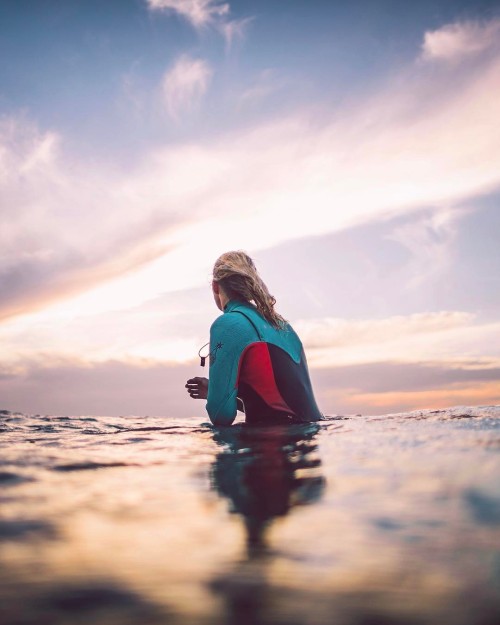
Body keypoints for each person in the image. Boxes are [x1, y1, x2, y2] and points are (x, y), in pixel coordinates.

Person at [185, 251, 323, 426]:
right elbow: (279, 406)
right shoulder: (283, 326)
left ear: (215, 286)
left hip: (271, 445)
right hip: (310, 442)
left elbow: (221, 416)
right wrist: (215, 391)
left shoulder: (228, 324)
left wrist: (216, 396)